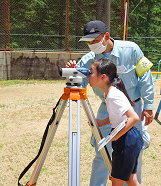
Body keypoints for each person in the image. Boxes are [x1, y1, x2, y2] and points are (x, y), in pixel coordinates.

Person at [66, 20, 154, 185]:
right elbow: (76, 82)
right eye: (89, 42)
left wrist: (148, 105)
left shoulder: (132, 49)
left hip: (133, 107)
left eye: (95, 40)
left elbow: (146, 76)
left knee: (133, 154)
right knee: (102, 152)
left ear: (106, 36)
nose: (92, 44)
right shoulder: (89, 59)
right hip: (107, 109)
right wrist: (72, 71)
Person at [88, 58, 142, 185]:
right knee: (130, 179)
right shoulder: (109, 94)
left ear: (103, 77)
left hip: (126, 140)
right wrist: (102, 122)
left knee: (117, 180)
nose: (88, 75)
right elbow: (118, 116)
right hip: (129, 138)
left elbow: (133, 117)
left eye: (91, 72)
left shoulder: (112, 95)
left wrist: (114, 136)